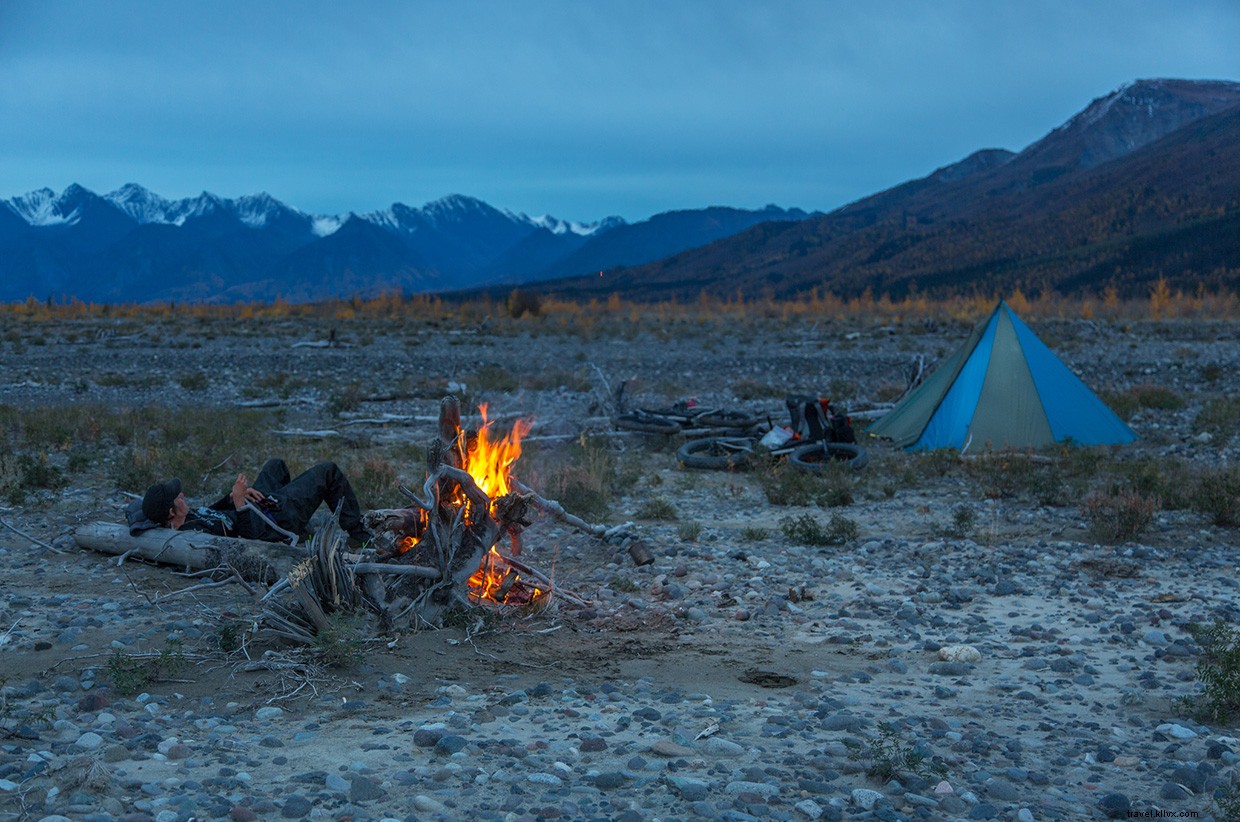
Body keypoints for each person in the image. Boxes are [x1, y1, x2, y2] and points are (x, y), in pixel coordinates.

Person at [135, 458, 370, 545]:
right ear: (170, 512)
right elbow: (247, 541)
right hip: (272, 524)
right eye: (177, 497)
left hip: (258, 508)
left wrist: (235, 497)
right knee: (328, 471)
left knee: (275, 465)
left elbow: (215, 512)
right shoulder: (194, 536)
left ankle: (303, 529)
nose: (182, 494)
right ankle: (358, 535)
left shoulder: (189, 515)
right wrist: (239, 503)